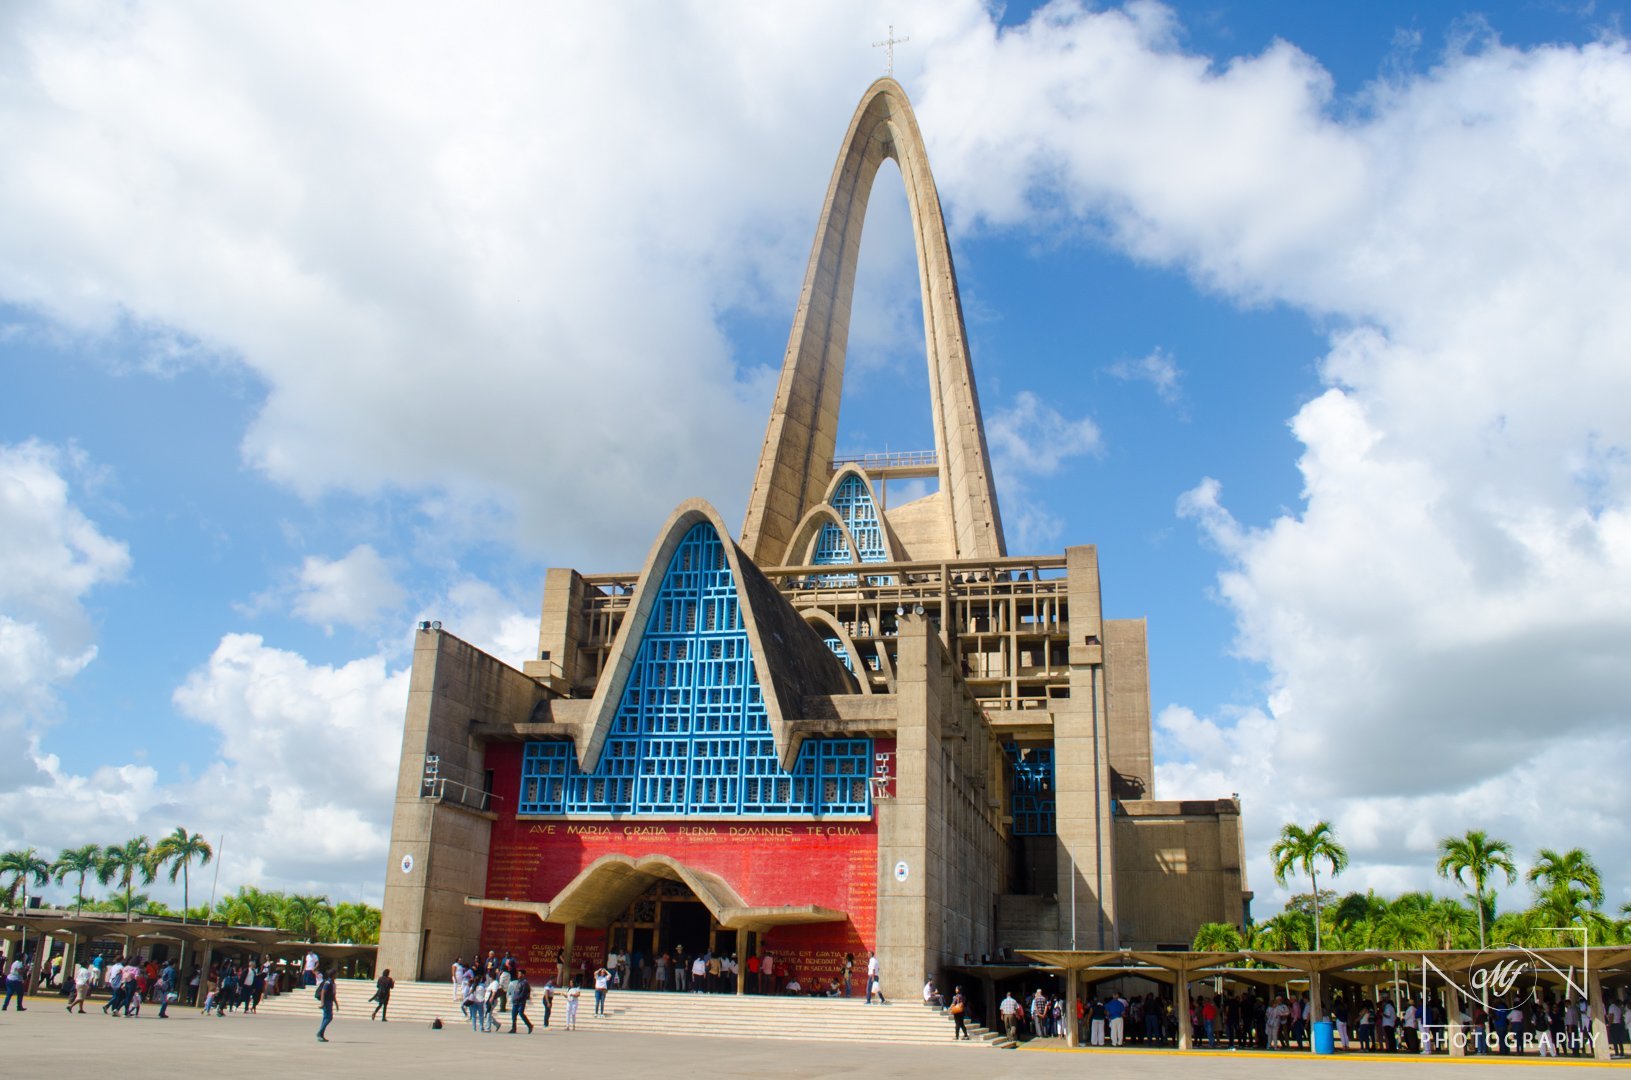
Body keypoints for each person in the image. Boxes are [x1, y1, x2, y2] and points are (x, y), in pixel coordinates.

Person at [315, 968, 337, 1042]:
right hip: (326, 1002)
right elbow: (323, 993)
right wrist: (322, 1003)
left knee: (326, 1018)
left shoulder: (333, 983)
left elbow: (333, 994)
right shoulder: (328, 982)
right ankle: (319, 1033)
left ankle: (321, 1035)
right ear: (333, 974)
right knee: (329, 1018)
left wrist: (336, 1003)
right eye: (335, 973)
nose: (337, 975)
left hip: (329, 1002)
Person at [510, 969, 533, 1033]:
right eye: (518, 974)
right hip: (515, 1001)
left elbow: (523, 993)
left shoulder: (524, 983)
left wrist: (519, 998)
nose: (518, 975)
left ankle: (529, 1025)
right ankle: (513, 1028)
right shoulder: (518, 982)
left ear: (523, 975)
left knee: (521, 1013)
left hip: (521, 1002)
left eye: (519, 974)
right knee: (513, 1015)